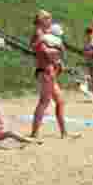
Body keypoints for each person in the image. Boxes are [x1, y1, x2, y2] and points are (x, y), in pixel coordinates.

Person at [29, 9, 71, 139]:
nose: (51, 21)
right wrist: (58, 51)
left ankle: (64, 133)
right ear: (42, 20)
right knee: (44, 102)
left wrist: (57, 57)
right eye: (48, 18)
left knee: (60, 101)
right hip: (45, 71)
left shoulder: (43, 34)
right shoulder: (39, 34)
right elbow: (43, 52)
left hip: (49, 71)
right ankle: (34, 133)